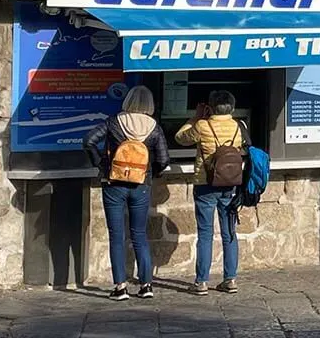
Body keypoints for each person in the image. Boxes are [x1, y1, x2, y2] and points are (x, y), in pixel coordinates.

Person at [82, 85, 170, 301]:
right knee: (139, 234)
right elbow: (164, 159)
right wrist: (151, 173)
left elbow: (89, 140)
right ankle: (146, 284)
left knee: (116, 235)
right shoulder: (154, 127)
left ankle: (120, 287)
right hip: (141, 185)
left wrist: (102, 163)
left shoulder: (114, 122)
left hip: (114, 183)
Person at [176, 90, 244, 296]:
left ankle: (201, 282)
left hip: (205, 184)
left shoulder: (202, 125)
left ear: (211, 107)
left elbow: (180, 137)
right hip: (230, 184)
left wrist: (196, 116)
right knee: (229, 232)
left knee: (205, 233)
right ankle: (230, 279)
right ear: (231, 107)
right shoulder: (238, 126)